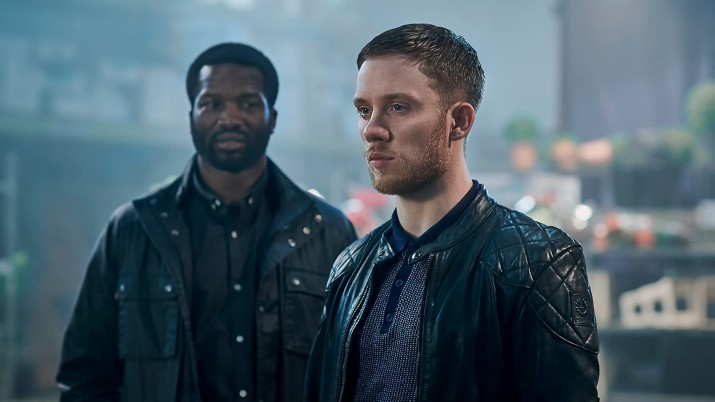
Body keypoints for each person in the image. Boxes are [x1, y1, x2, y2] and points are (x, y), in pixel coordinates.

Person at [305, 23, 600, 401]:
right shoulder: (350, 266)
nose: (371, 130)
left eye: (398, 107)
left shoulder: (536, 262)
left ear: (459, 121)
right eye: (365, 109)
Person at [56, 42, 356, 402]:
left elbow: (353, 371)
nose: (229, 118)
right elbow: (85, 377)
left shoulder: (327, 231)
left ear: (272, 118)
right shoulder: (133, 230)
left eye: (248, 104)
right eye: (212, 104)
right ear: (191, 117)